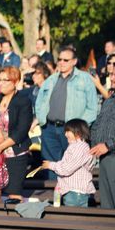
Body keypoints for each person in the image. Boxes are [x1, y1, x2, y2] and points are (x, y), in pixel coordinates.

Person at [35, 46, 99, 179]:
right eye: (59, 59)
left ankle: (70, 199)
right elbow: (40, 101)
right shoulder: (51, 80)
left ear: (74, 61)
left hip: (73, 130)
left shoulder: (84, 78)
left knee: (72, 165)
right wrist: (41, 119)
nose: (61, 62)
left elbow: (93, 107)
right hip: (49, 129)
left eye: (66, 60)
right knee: (51, 166)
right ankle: (55, 198)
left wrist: (79, 127)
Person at [0, 67, 33, 204]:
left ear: (16, 81)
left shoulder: (23, 101)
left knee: (13, 194)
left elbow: (22, 130)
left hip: (15, 153)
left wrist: (1, 147)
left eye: (6, 80)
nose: (1, 83)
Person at [42, 119, 95, 207]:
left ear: (78, 133)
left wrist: (51, 165)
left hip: (75, 193)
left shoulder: (79, 148)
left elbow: (67, 169)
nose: (65, 134)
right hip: (72, 191)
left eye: (68, 131)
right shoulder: (75, 147)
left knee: (74, 218)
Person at [89, 63, 115, 209]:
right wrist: (94, 143)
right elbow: (97, 124)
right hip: (104, 158)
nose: (111, 78)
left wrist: (108, 145)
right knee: (107, 207)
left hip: (113, 155)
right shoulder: (110, 100)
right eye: (111, 74)